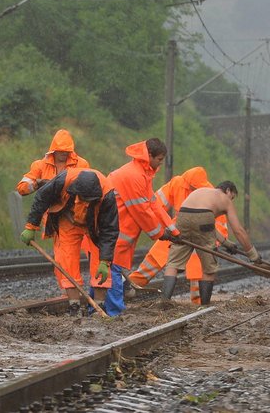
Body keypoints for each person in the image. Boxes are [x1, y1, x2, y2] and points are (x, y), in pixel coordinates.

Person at [20, 168, 119, 317]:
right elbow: (42, 198)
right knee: (67, 260)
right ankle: (74, 306)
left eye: (89, 201)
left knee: (100, 263)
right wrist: (31, 226)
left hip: (95, 224)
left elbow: (109, 230)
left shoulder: (107, 196)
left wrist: (105, 261)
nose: (85, 203)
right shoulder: (63, 180)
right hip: (68, 220)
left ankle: (99, 307)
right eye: (83, 199)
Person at [162, 180, 261, 305]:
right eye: (232, 197)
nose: (231, 200)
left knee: (173, 263)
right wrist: (252, 254)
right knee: (209, 264)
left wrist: (226, 243)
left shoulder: (202, 192)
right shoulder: (224, 199)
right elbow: (238, 230)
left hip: (183, 216)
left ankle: (164, 302)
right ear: (228, 190)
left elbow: (205, 223)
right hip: (203, 218)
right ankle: (204, 305)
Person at [104, 138, 172, 315]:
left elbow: (153, 204)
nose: (160, 164)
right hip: (115, 228)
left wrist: (172, 229)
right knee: (113, 271)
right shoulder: (134, 175)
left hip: (120, 229)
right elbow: (142, 210)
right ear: (149, 155)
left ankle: (97, 307)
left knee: (110, 269)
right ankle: (114, 311)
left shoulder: (143, 173)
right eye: (159, 159)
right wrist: (160, 233)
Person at [128, 166, 214, 290]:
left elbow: (219, 220)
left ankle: (198, 303)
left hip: (201, 234)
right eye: (192, 188)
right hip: (177, 230)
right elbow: (156, 204)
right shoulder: (177, 183)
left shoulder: (209, 192)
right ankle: (130, 286)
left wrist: (213, 241)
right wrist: (156, 226)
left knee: (196, 268)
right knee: (154, 259)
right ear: (187, 183)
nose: (194, 190)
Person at [15, 129, 89, 196]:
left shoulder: (82, 164)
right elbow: (21, 189)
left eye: (67, 151)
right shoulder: (40, 165)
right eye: (61, 150)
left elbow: (89, 188)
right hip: (47, 209)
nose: (64, 153)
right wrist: (36, 185)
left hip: (72, 209)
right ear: (54, 150)